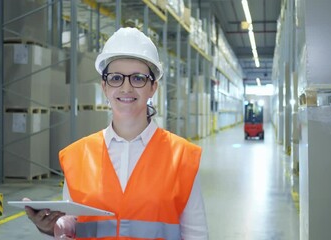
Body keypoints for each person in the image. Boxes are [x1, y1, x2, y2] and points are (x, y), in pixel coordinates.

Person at [25, 27, 209, 240]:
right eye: (116, 78)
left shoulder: (182, 157)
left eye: (138, 78)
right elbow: (75, 224)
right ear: (104, 86)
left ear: (153, 87)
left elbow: (196, 234)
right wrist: (50, 227)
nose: (126, 88)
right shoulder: (77, 156)